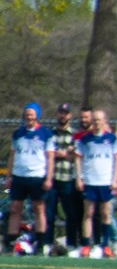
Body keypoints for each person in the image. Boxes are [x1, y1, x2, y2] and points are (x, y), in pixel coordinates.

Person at [3, 103, 54, 253]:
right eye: (27, 114)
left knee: (38, 208)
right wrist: (8, 176)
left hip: (37, 176)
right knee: (15, 208)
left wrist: (48, 177)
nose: (29, 117)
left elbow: (50, 157)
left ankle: (41, 242)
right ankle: (11, 242)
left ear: (37, 116)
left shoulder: (45, 134)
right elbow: (12, 156)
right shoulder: (18, 134)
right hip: (19, 176)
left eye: (32, 114)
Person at [79, 108, 115, 257]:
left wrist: (115, 179)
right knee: (88, 213)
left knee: (106, 213)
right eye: (94, 120)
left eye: (99, 120)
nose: (96, 122)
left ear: (104, 121)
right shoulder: (85, 139)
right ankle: (86, 245)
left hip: (105, 181)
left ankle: (106, 246)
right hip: (90, 181)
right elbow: (78, 158)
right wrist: (79, 177)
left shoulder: (111, 139)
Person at [49, 106, 83, 254]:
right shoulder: (50, 133)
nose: (63, 116)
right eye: (61, 113)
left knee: (71, 214)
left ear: (70, 115)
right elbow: (47, 154)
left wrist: (62, 153)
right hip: (52, 178)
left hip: (68, 178)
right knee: (49, 214)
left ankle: (71, 243)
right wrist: (63, 153)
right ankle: (47, 244)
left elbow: (75, 156)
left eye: (66, 113)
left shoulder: (75, 134)